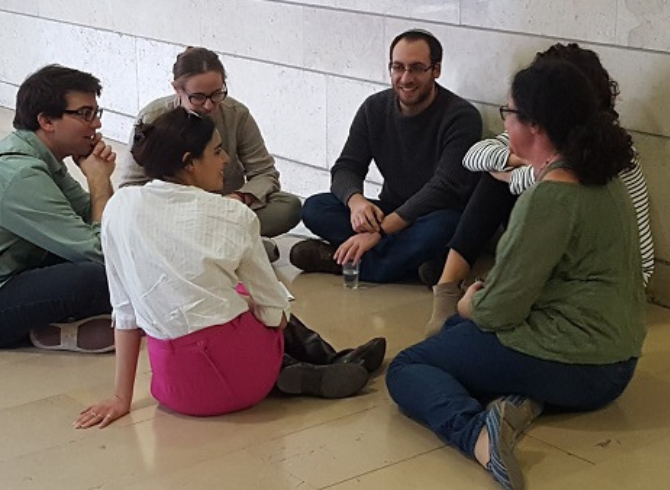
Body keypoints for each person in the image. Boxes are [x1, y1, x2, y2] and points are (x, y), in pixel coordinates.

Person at [386, 59, 645, 490]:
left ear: (535, 126)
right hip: (618, 364)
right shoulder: (606, 178)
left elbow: (498, 312)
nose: (505, 123)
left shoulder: (549, 197)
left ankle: (478, 434)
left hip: (581, 367)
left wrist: (470, 304)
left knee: (411, 365)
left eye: (509, 113)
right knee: (460, 339)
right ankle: (518, 401)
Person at [75, 107, 386, 427]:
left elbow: (125, 312)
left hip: (176, 388)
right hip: (241, 380)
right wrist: (248, 303)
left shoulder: (119, 207)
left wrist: (120, 398)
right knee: (251, 297)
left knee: (225, 295)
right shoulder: (233, 215)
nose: (226, 160)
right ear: (189, 162)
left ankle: (324, 366)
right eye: (218, 151)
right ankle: (311, 366)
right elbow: (275, 316)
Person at [424, 43, 654, 336]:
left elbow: (538, 186)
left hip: (609, 279)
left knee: (413, 363)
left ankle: (472, 289)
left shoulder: (602, 154)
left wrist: (516, 170)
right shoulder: (553, 137)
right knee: (488, 183)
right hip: (577, 278)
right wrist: (521, 158)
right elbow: (473, 157)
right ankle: (449, 285)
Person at [0, 64, 116, 352]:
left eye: (96, 113)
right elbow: (103, 251)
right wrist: (98, 179)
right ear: (46, 121)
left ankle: (50, 328)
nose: (96, 124)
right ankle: (51, 330)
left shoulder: (27, 154)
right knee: (99, 277)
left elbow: (101, 220)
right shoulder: (20, 176)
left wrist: (100, 187)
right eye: (85, 114)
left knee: (108, 260)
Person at [290, 29, 482, 283]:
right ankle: (410, 265)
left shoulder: (461, 117)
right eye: (398, 67)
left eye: (416, 68)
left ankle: (344, 263)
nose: (405, 78)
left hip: (436, 214)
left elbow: (444, 188)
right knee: (315, 207)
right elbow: (347, 167)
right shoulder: (374, 108)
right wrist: (356, 202)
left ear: (435, 70)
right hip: (392, 209)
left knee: (444, 228)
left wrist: (379, 231)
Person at [117, 46, 301, 261]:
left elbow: (265, 172)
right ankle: (233, 246)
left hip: (226, 208)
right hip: (174, 214)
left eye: (217, 94)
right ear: (177, 90)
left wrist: (238, 197)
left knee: (289, 206)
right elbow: (129, 189)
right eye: (198, 97)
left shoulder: (236, 114)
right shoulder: (153, 117)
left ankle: (218, 245)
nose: (209, 105)